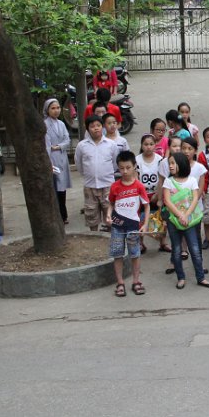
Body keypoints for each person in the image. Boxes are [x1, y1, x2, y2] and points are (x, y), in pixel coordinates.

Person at [162, 153, 209, 290]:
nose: (170, 166)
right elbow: (167, 201)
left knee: (195, 250)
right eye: (169, 163)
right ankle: (181, 277)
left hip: (190, 221)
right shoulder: (168, 181)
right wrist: (181, 216)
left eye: (173, 163)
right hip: (175, 221)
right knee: (177, 250)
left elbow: (195, 199)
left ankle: (201, 277)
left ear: (181, 164)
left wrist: (185, 216)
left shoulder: (192, 181)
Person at [107, 151, 150, 297]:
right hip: (117, 226)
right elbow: (111, 204)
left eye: (128, 167)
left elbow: (146, 206)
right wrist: (108, 215)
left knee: (135, 254)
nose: (125, 171)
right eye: (121, 168)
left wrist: (145, 224)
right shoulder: (114, 187)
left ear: (134, 167)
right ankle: (120, 283)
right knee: (117, 254)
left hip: (133, 226)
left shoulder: (139, 186)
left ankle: (136, 281)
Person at [74, 115, 119, 232]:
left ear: (102, 127)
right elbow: (79, 164)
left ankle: (111, 237)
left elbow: (115, 163)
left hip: (108, 185)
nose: (96, 128)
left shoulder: (111, 144)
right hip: (90, 186)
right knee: (91, 214)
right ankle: (94, 235)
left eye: (98, 125)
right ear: (87, 128)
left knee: (109, 213)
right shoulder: (81, 146)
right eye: (92, 126)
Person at [43, 98, 72, 224]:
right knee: (54, 187)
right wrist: (48, 161)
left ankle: (63, 215)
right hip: (52, 158)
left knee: (62, 188)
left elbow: (67, 140)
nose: (56, 111)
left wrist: (58, 146)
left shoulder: (61, 123)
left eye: (58, 108)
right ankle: (56, 215)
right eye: (53, 108)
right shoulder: (45, 124)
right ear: (47, 110)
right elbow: (47, 144)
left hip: (61, 156)